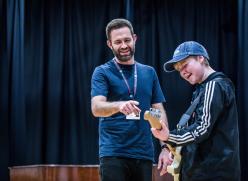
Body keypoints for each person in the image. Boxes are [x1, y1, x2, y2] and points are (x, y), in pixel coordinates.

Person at [91, 18, 171, 181]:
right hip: (114, 153)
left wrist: (165, 146)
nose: (124, 45)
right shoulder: (102, 72)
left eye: (127, 40)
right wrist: (119, 105)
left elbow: (157, 110)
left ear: (134, 38)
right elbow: (96, 107)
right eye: (118, 42)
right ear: (109, 44)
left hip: (144, 154)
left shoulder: (149, 72)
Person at [151, 41, 241, 181]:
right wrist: (170, 148)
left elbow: (201, 128)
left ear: (201, 58)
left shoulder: (213, 86)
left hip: (213, 173)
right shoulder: (202, 89)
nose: (183, 72)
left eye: (185, 65)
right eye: (179, 69)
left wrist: (169, 137)